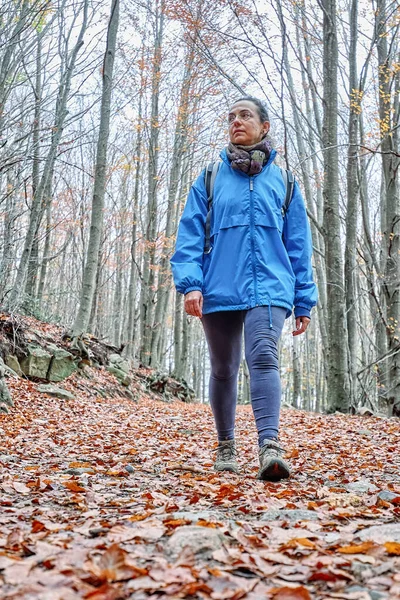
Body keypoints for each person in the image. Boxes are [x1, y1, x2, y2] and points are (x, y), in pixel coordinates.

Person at [170, 96, 317, 481]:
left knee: (264, 357)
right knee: (223, 367)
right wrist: (190, 284)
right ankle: (225, 446)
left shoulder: (284, 183)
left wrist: (304, 299)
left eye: (245, 115)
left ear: (264, 126)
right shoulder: (210, 178)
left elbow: (298, 245)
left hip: (270, 285)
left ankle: (270, 446)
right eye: (231, 116)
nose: (236, 121)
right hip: (219, 283)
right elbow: (188, 236)